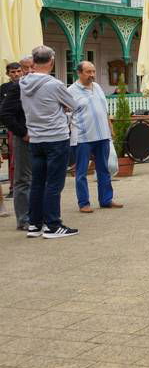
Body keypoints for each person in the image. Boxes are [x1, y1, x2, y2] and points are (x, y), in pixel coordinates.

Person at [19, 46, 79, 238]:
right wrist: (62, 108)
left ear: (34, 61)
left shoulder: (23, 82)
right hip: (55, 137)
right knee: (54, 183)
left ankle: (34, 224)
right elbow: (74, 105)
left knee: (37, 183)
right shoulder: (55, 84)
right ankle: (53, 225)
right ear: (51, 62)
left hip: (36, 138)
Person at [68, 61, 123, 212]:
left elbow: (104, 110)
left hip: (102, 135)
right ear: (79, 73)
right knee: (81, 172)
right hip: (83, 137)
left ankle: (106, 200)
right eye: (88, 72)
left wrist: (110, 127)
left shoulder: (97, 87)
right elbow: (66, 114)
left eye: (93, 71)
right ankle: (84, 203)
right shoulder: (71, 91)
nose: (92, 75)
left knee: (104, 169)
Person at [1, 61, 32, 229]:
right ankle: (23, 218)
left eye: (19, 71)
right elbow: (5, 113)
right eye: (14, 72)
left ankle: (35, 214)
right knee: (21, 174)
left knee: (36, 176)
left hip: (39, 136)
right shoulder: (9, 88)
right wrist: (22, 132)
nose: (17, 74)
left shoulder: (38, 84)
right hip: (20, 134)